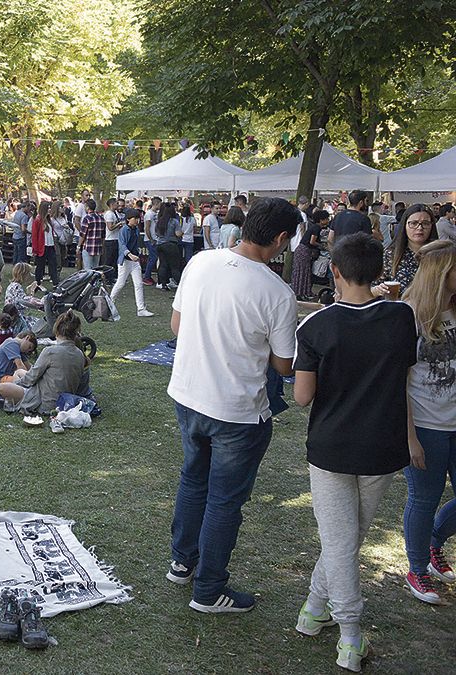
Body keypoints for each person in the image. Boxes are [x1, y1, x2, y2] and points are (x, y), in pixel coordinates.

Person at [290, 232, 418, 672]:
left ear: (336, 272)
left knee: (342, 540)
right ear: (381, 272)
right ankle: (321, 613)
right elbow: (407, 370)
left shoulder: (316, 326)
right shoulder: (403, 317)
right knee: (346, 538)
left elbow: (302, 397)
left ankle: (343, 631)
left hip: (332, 447)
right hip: (381, 446)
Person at [165, 197, 300, 613]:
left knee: (193, 480)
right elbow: (284, 363)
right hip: (237, 412)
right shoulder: (277, 292)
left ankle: (182, 562)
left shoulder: (201, 262)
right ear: (279, 238)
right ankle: (208, 589)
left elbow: (176, 323)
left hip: (189, 396)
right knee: (223, 500)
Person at [401, 239, 456, 604]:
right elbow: (398, 381)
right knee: (424, 497)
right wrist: (410, 438)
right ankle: (418, 568)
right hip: (426, 425)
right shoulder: (409, 314)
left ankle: (435, 542)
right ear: (442, 275)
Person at [0, 311, 90, 414]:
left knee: (2, 387)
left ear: (56, 331)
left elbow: (31, 378)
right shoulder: (80, 354)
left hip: (45, 402)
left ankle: (14, 398)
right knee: (19, 372)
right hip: (65, 402)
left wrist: (15, 383)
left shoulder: (50, 351)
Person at [374, 204, 437, 296]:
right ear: (404, 225)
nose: (420, 228)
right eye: (414, 223)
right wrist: (378, 290)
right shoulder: (391, 254)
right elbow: (372, 289)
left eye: (425, 223)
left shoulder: (440, 254)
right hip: (398, 308)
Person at [110, 208, 155, 318]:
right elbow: (122, 245)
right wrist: (130, 254)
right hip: (125, 261)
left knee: (138, 284)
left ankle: (141, 309)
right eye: (135, 219)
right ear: (128, 219)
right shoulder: (124, 230)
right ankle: (109, 303)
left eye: (138, 219)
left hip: (134, 261)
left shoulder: (135, 229)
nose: (138, 221)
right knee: (120, 283)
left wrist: (136, 255)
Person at [292, 210, 329, 299]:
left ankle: (301, 292)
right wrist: (323, 246)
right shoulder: (316, 228)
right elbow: (312, 242)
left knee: (301, 272)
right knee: (303, 272)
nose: (328, 220)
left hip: (301, 250)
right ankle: (303, 293)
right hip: (304, 251)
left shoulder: (315, 227)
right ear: (321, 220)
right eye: (326, 219)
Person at [154, 202, 184, 290]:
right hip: (171, 244)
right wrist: (182, 233)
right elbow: (178, 234)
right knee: (174, 267)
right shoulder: (174, 221)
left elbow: (156, 233)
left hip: (160, 244)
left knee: (163, 264)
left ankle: (163, 285)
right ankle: (180, 285)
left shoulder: (159, 221)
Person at [32, 202, 62, 287]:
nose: (49, 209)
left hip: (50, 246)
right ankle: (38, 283)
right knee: (40, 266)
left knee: (53, 264)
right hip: (42, 247)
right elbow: (34, 236)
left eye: (50, 207)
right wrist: (35, 249)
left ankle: (55, 283)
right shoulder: (37, 220)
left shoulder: (49, 220)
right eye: (48, 208)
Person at [79, 199, 106, 270]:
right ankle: (95, 281)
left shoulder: (87, 219)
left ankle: (88, 281)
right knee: (96, 269)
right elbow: (103, 235)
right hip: (98, 247)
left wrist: (79, 246)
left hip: (88, 247)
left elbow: (83, 235)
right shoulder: (101, 219)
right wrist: (102, 247)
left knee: (88, 269)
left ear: (87, 207)